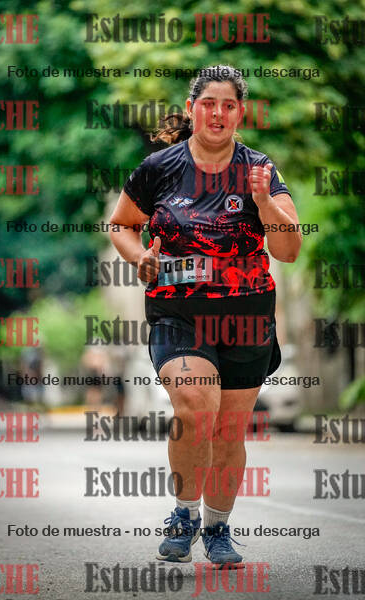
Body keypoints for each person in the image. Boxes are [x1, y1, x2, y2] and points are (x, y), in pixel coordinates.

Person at [109, 65, 302, 567]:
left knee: (229, 429)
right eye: (208, 103)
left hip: (246, 314)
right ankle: (184, 514)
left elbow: (288, 250)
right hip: (179, 310)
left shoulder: (260, 169)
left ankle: (217, 528)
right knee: (195, 407)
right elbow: (122, 225)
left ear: (240, 112)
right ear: (191, 108)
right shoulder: (159, 168)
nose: (218, 113)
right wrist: (139, 257)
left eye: (228, 105)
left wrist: (264, 203)